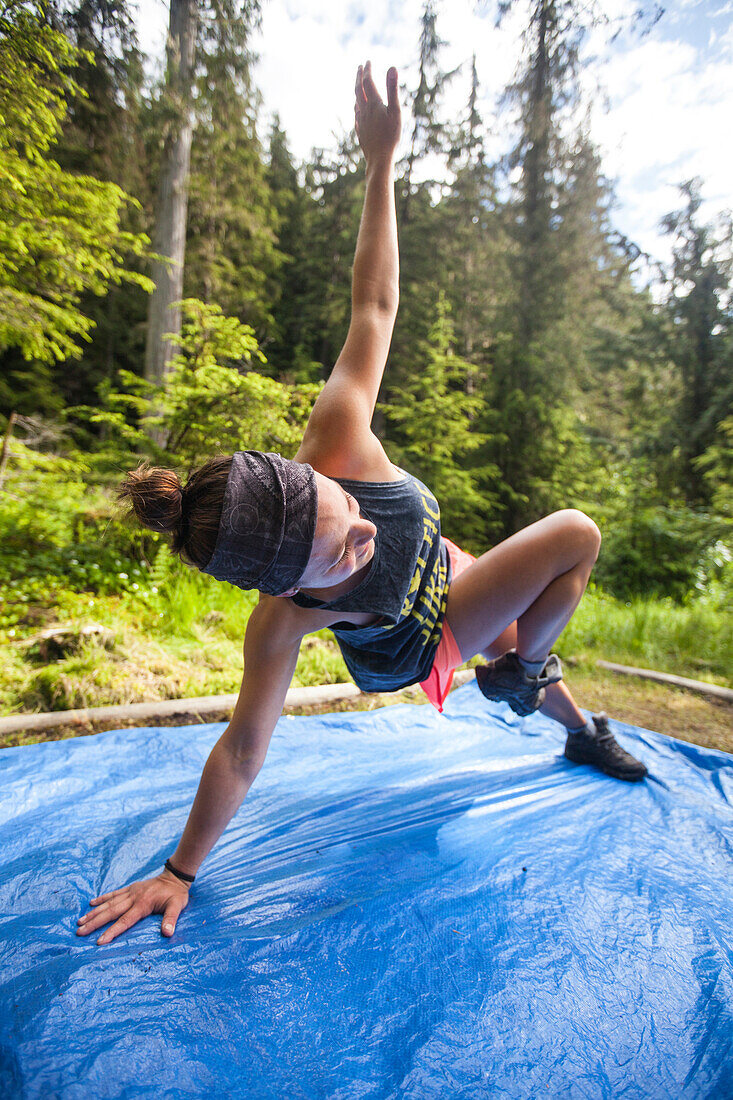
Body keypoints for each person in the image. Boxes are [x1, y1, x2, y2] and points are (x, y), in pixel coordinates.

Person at [76, 62, 647, 949]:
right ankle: (516, 672)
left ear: (313, 469)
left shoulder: (339, 431)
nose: (361, 532)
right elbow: (240, 749)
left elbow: (374, 305)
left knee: (523, 638)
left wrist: (380, 163)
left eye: (344, 508)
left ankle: (562, 716)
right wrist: (177, 871)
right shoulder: (277, 625)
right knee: (573, 539)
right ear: (294, 592)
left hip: (442, 571)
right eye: (337, 557)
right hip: (407, 641)